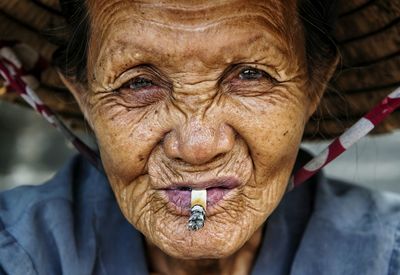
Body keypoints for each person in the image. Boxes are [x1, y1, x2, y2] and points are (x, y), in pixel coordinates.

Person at [0, 0, 399, 274]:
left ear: (313, 88)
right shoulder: (16, 254)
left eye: (250, 75)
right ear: (84, 98)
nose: (197, 147)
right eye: (139, 82)